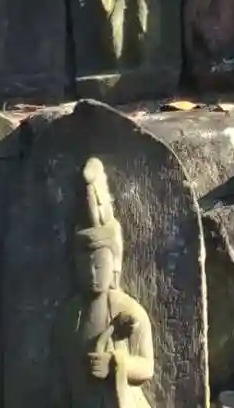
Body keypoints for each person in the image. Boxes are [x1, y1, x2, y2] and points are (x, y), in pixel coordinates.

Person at [53, 158, 154, 407]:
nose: (93, 273)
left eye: (99, 266)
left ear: (114, 264)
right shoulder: (70, 316)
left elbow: (147, 366)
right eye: (85, 266)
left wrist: (117, 363)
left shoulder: (128, 311)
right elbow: (62, 367)